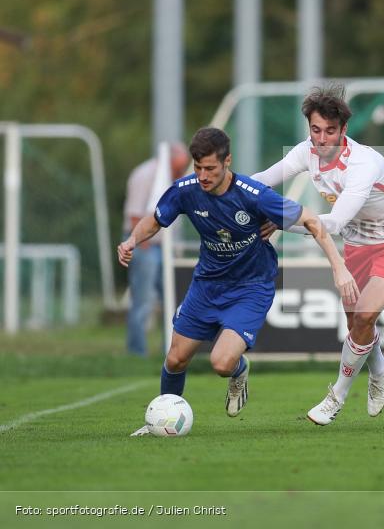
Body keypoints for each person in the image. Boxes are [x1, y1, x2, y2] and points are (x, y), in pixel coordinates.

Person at [119, 127, 359, 435]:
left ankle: (239, 371)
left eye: (210, 168)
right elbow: (154, 219)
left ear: (227, 161)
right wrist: (131, 241)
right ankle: (159, 420)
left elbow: (311, 220)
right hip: (206, 285)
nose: (203, 176)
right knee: (176, 359)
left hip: (250, 287)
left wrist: (338, 266)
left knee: (221, 363)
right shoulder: (186, 189)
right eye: (198, 167)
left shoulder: (253, 194)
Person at [252, 84, 384, 425]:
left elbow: (331, 224)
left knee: (363, 316)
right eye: (315, 130)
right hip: (357, 243)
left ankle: (336, 396)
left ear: (344, 130)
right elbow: (261, 181)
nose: (321, 139)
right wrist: (226, 190)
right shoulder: (305, 152)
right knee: (357, 324)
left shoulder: (364, 163)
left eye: (330, 131)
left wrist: (282, 221)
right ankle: (380, 368)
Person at [123, 143, 191, 356]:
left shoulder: (170, 177)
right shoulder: (144, 175)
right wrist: (140, 243)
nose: (180, 172)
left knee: (173, 299)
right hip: (146, 245)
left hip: (163, 246)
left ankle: (171, 349)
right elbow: (135, 214)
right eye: (178, 168)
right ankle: (136, 352)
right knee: (143, 300)